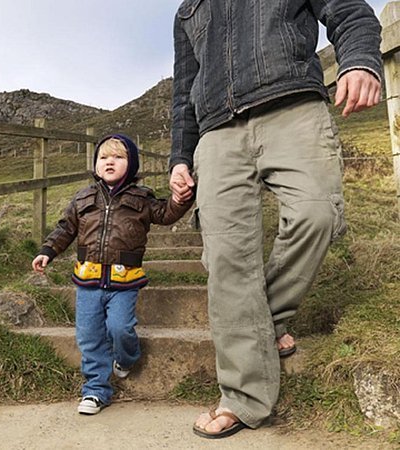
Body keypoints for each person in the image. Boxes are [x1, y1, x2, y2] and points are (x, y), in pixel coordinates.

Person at [169, 0, 383, 439]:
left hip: (292, 106)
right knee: (227, 259)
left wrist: (359, 61)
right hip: (215, 132)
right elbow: (182, 91)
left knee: (318, 213)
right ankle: (244, 398)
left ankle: (264, 323)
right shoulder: (188, 11)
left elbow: (350, 12)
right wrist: (178, 158)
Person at [32, 134, 194, 415]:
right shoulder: (83, 197)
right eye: (104, 157)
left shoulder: (141, 198)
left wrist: (180, 200)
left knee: (120, 328)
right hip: (88, 281)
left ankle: (127, 357)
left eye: (118, 157)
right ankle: (96, 390)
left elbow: (166, 214)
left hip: (124, 280)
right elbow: (65, 228)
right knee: (89, 336)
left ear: (131, 166)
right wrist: (48, 250)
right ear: (95, 165)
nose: (110, 161)